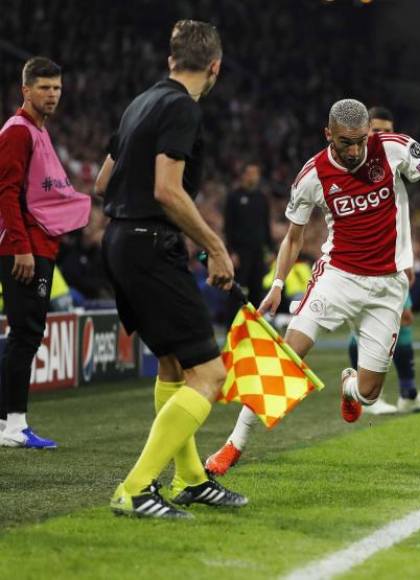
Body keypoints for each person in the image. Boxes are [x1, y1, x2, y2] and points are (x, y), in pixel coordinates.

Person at [204, 98, 420, 475]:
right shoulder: (312, 175)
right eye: (345, 143)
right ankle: (233, 445)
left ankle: (351, 387)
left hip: (387, 286)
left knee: (370, 393)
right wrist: (276, 284)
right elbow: (292, 238)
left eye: (360, 141)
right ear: (328, 135)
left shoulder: (392, 148)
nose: (354, 151)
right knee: (287, 357)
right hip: (336, 278)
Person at [95, 20, 247, 519]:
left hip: (119, 241)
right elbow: (166, 189)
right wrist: (215, 245)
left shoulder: (140, 103)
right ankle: (136, 488)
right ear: (215, 67)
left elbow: (102, 182)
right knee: (209, 374)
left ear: (170, 61)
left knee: (173, 365)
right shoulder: (183, 107)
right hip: (147, 244)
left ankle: (190, 478)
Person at [0, 57, 92, 449]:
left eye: (56, 87)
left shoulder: (37, 131)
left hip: (37, 246)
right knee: (25, 334)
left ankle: (8, 422)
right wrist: (20, 248)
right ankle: (13, 426)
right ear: (26, 90)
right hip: (24, 248)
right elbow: (6, 192)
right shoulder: (18, 132)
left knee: (23, 333)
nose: (52, 94)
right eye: (44, 87)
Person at [346, 106, 420, 415]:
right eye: (376, 130)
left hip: (394, 263)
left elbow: (399, 221)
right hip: (360, 264)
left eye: (387, 131)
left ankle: (408, 393)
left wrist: (407, 259)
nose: (382, 137)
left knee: (403, 323)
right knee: (362, 327)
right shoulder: (353, 168)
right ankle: (363, 397)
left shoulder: (391, 171)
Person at [224, 161, 271, 323]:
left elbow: (266, 226)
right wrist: (231, 252)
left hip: (258, 252)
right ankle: (231, 326)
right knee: (237, 291)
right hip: (240, 253)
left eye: (256, 173)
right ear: (243, 175)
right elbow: (228, 227)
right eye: (251, 173)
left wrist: (270, 250)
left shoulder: (261, 198)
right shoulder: (234, 197)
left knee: (257, 291)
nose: (254, 177)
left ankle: (255, 327)